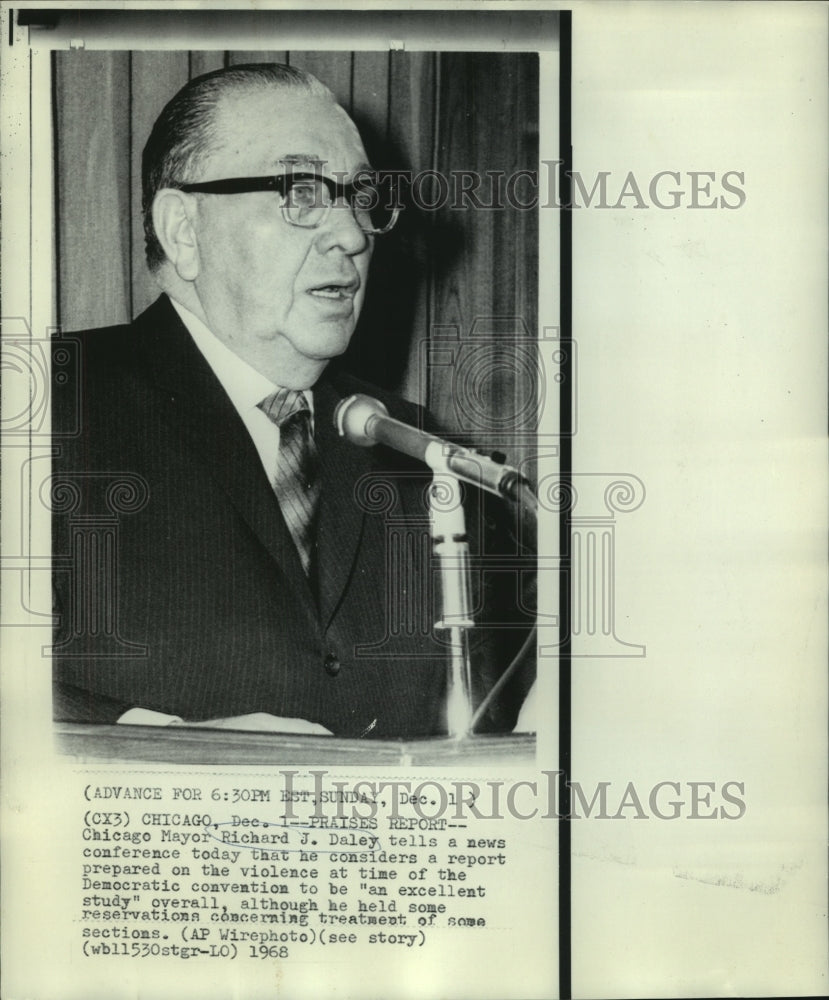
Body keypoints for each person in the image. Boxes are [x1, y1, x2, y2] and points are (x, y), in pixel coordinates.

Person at [51, 63, 534, 738]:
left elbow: (499, 698)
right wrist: (162, 741)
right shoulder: (47, 406)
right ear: (184, 229)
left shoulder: (415, 449)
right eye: (301, 191)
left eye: (361, 197)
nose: (353, 235)